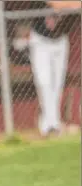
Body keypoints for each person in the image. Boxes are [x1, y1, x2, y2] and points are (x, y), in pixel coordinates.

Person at [29, 1, 80, 137]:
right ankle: (49, 124)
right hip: (41, 40)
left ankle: (52, 124)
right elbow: (55, 4)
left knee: (57, 85)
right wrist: (70, 5)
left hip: (61, 40)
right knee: (44, 81)